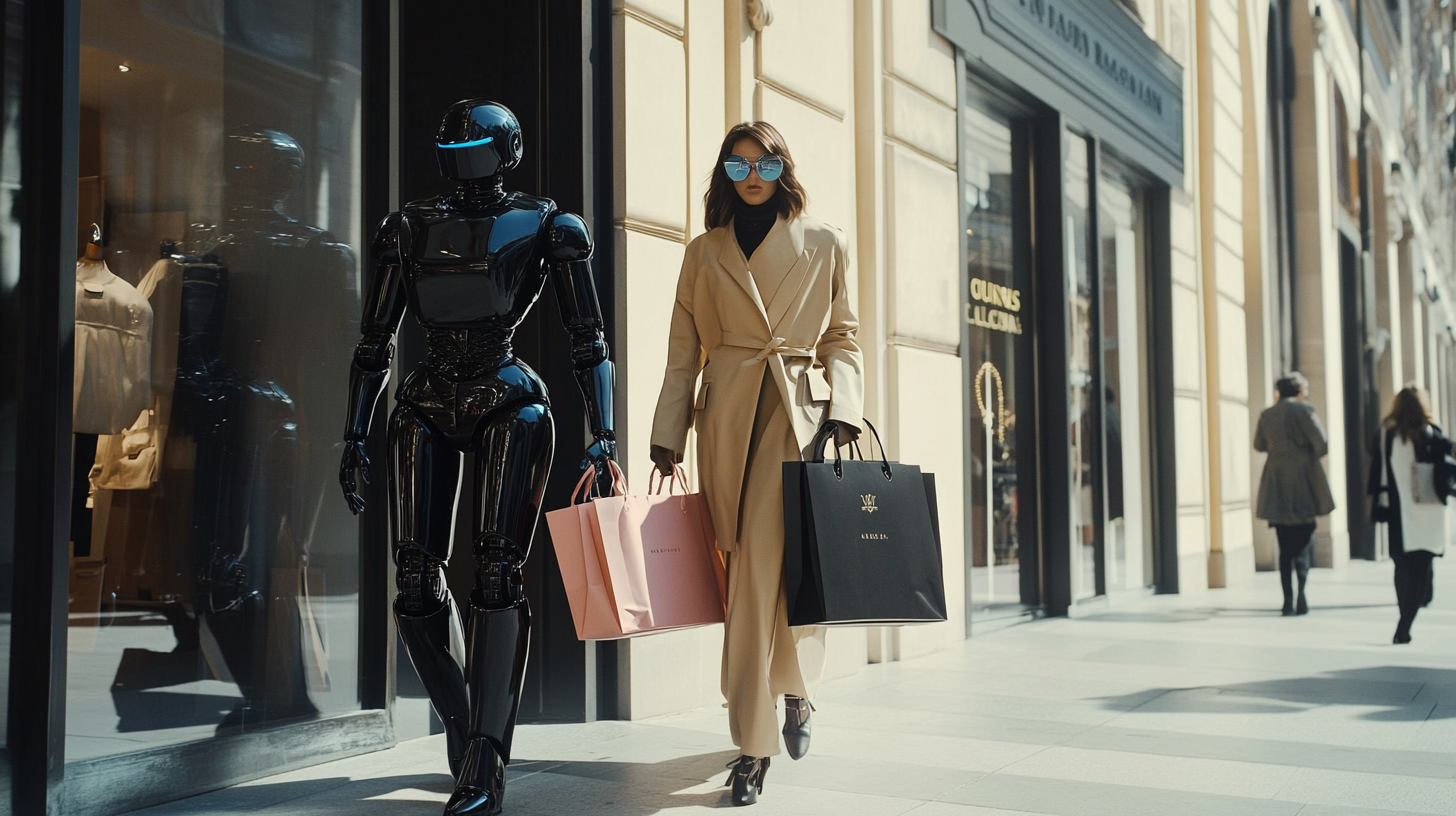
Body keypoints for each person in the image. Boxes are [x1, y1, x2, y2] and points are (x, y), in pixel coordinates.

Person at [338, 101, 616, 816]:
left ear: (505, 150)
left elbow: (589, 340)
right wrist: (353, 434)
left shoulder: (550, 223)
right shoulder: (409, 225)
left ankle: (488, 763)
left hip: (508, 398)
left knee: (496, 569)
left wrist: (604, 432)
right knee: (412, 579)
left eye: (472, 141)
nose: (459, 152)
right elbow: (375, 341)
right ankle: (465, 724)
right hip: (425, 399)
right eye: (449, 140)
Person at [649, 122, 863, 807]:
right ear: (723, 172)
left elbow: (843, 337)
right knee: (747, 571)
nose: (752, 175)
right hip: (727, 421)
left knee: (769, 570)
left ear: (783, 169)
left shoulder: (824, 242)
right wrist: (667, 434)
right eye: (738, 164)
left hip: (796, 421)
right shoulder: (702, 252)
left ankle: (753, 742)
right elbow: (684, 349)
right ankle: (794, 691)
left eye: (765, 163)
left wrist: (844, 410)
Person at [1369, 386, 1449, 644]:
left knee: (1402, 568)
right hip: (1429, 511)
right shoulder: (1432, 434)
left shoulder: (1387, 432)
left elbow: (1376, 463)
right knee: (1421, 569)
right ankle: (1406, 622)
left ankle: (1404, 619)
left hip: (1397, 512)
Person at [1253, 372, 1335, 615]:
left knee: (1284, 543)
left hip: (1277, 479)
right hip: (1303, 479)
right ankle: (1302, 594)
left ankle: (1287, 599)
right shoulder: (1304, 411)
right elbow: (1322, 444)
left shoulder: (1268, 414)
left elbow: (1259, 445)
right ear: (1299, 391)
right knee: (1302, 541)